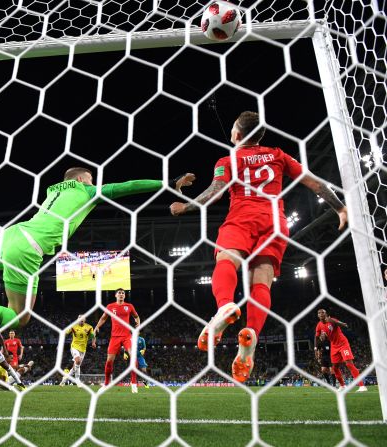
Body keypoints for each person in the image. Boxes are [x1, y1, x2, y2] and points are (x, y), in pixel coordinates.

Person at [0, 168, 195, 329]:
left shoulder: (52, 191)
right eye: (91, 179)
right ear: (81, 179)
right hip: (28, 247)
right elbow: (125, 187)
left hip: (11, 234)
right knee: (21, 318)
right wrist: (167, 182)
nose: (94, 183)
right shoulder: (86, 189)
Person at [170, 111, 348, 383]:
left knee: (226, 261)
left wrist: (186, 205)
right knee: (261, 282)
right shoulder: (278, 155)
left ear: (237, 135)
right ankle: (250, 335)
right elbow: (314, 182)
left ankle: (225, 306)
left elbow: (215, 191)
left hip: (241, 218)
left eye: (232, 128)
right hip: (274, 222)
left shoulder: (227, 159)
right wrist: (340, 208)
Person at [94, 288, 140, 393]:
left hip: (127, 336)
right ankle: (106, 384)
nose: (121, 294)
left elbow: (136, 317)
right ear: (115, 295)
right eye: (119, 293)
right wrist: (97, 327)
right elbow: (103, 318)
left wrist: (138, 323)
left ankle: (133, 384)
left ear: (124, 296)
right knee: (109, 360)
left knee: (133, 356)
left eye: (123, 293)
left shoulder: (129, 306)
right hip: (114, 337)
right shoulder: (110, 306)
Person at [315, 309, 367, 392]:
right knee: (335, 368)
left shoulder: (332, 320)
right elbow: (317, 337)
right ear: (317, 315)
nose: (321, 314)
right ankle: (343, 386)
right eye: (319, 313)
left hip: (343, 344)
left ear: (326, 314)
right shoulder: (319, 325)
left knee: (349, 364)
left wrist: (332, 321)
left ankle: (362, 386)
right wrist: (316, 348)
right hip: (334, 346)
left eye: (323, 312)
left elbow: (344, 325)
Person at [60, 314, 96, 387]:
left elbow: (93, 336)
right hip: (74, 347)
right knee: (78, 361)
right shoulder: (73, 326)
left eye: (82, 319)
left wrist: (93, 343)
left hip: (83, 349)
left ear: (85, 320)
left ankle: (64, 380)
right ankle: (77, 380)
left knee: (75, 366)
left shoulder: (89, 327)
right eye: (79, 319)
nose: (81, 320)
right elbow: (65, 333)